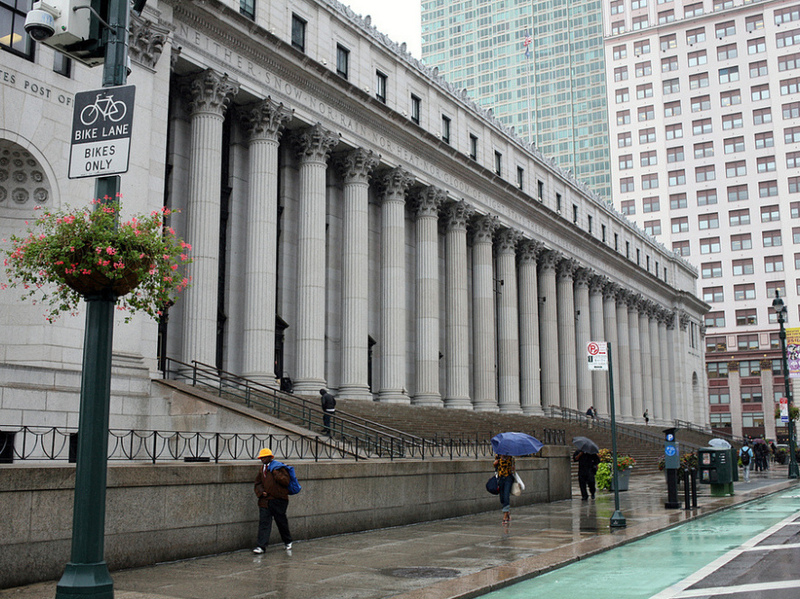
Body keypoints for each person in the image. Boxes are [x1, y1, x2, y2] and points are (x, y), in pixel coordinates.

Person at [253, 448, 293, 553]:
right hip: (265, 501)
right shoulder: (262, 469)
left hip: (278, 500)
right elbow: (258, 483)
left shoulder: (279, 467)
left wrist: (276, 473)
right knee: (264, 523)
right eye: (261, 458)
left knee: (281, 522)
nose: (262, 459)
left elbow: (285, 481)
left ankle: (287, 541)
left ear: (270, 458)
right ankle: (261, 546)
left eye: (264, 457)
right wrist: (261, 492)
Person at [493, 453, 515, 523]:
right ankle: (507, 512)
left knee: (506, 496)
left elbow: (513, 468)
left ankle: (505, 516)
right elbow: (495, 466)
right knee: (502, 498)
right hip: (500, 478)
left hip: (508, 478)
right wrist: (495, 463)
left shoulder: (510, 456)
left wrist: (512, 468)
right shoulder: (498, 455)